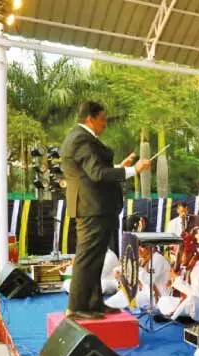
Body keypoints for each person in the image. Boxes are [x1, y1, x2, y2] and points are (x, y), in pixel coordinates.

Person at [61, 101, 151, 319]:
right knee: (87, 258)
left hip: (95, 206)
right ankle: (77, 307)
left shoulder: (80, 137)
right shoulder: (81, 138)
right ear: (90, 118)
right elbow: (97, 174)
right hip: (92, 207)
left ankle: (93, 303)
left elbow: (93, 172)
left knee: (96, 258)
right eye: (103, 119)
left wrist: (119, 167)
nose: (105, 124)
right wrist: (132, 171)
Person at [157, 232, 199, 324]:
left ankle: (172, 319)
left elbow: (195, 294)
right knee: (164, 300)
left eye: (181, 254)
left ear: (190, 253)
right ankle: (176, 315)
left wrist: (177, 280)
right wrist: (174, 280)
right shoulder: (189, 265)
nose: (179, 258)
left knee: (192, 300)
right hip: (198, 303)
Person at [106, 245, 171, 310]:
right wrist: (118, 270)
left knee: (124, 298)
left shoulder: (158, 259)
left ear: (152, 247)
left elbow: (148, 280)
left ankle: (106, 308)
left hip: (156, 298)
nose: (138, 249)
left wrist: (136, 269)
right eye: (138, 246)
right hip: (145, 293)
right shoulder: (144, 258)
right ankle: (105, 307)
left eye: (142, 247)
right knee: (122, 294)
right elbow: (122, 269)